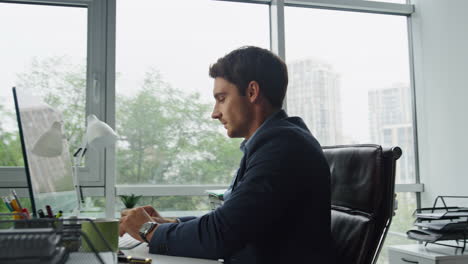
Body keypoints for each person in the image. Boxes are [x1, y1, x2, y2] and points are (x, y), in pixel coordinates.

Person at [119, 46, 334, 264]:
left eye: (221, 98)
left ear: (252, 92)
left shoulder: (284, 148)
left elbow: (221, 235)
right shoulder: (271, 143)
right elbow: (231, 221)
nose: (215, 113)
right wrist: (168, 224)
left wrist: (148, 229)